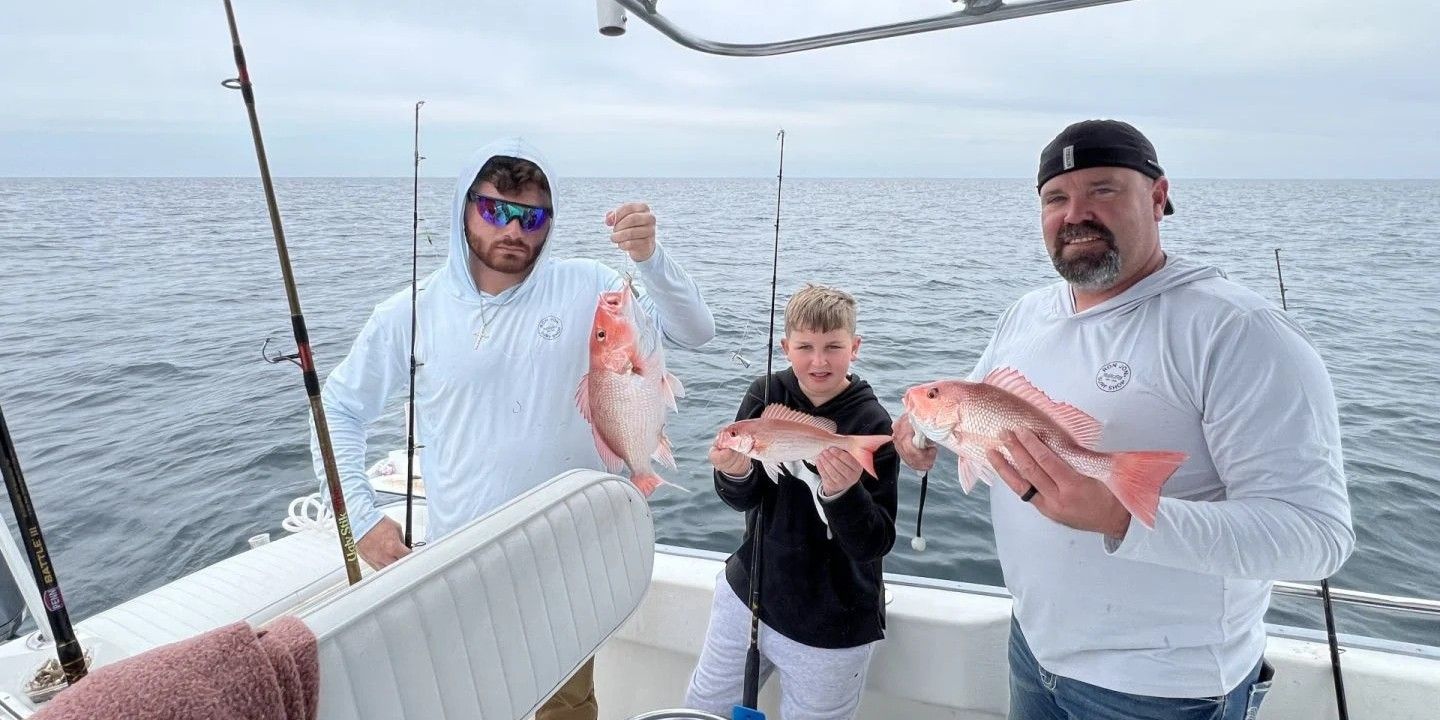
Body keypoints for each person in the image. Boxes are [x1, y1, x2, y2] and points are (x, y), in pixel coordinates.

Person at [892, 119, 1355, 720]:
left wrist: (1118, 515)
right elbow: (978, 412)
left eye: (1103, 190)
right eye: (1056, 197)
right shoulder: (1026, 315)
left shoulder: (1237, 331)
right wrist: (924, 437)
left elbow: (1317, 538)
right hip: (1034, 652)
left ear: (1159, 198)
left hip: (1160, 691)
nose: (1075, 212)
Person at [310, 137, 715, 720]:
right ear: (465, 208)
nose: (514, 231)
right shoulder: (410, 311)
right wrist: (360, 519)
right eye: (496, 210)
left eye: (533, 217)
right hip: (462, 563)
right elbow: (339, 411)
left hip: (570, 561)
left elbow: (694, 332)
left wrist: (651, 259)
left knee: (565, 709)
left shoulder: (589, 287)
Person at [684, 284, 899, 720]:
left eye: (833, 347)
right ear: (786, 347)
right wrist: (734, 470)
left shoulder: (871, 423)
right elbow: (744, 499)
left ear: (854, 348)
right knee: (701, 710)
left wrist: (842, 494)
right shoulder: (764, 393)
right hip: (750, 595)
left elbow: (873, 542)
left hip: (834, 622)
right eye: (804, 347)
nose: (818, 361)